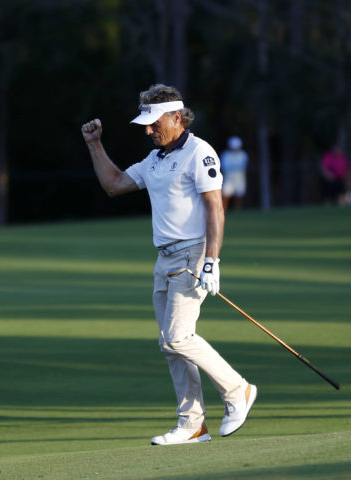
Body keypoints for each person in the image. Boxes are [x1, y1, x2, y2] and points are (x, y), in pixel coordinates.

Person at [81, 84, 256, 446]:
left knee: (178, 337)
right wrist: (94, 144)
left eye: (154, 122)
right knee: (169, 343)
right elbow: (114, 185)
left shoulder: (199, 152)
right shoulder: (154, 160)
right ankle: (192, 424)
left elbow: (215, 207)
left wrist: (212, 261)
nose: (148, 130)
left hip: (193, 255)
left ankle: (238, 390)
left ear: (177, 117)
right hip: (164, 260)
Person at [220, 136, 248, 211]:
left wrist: (233, 167)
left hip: (240, 178)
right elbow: (224, 167)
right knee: (225, 195)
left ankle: (238, 211)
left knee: (239, 196)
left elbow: (243, 166)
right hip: (229, 178)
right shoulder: (226, 155)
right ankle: (223, 211)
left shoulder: (243, 155)